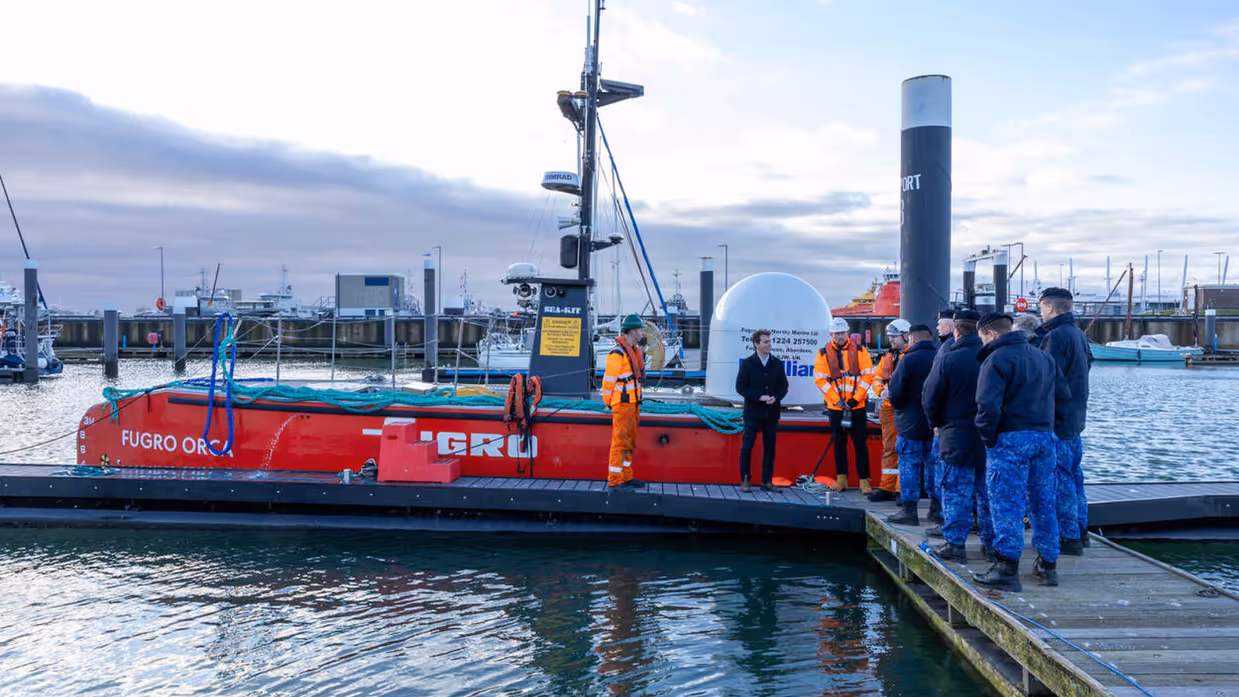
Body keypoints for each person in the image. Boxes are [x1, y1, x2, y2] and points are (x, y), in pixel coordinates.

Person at [972, 312, 1071, 592]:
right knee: (1043, 501)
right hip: (1044, 437)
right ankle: (1047, 565)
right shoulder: (1044, 357)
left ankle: (1006, 566)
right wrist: (1052, 431)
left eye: (982, 337)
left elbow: (986, 406)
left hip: (1010, 437)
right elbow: (1063, 398)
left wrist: (988, 438)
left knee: (1006, 502)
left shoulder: (996, 359)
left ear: (990, 334)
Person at [921, 309, 993, 562]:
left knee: (955, 490)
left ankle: (955, 544)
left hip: (955, 433)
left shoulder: (949, 359)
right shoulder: (993, 358)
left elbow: (930, 396)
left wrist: (936, 423)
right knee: (987, 492)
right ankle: (991, 544)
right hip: (989, 436)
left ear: (957, 330)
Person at [1036, 287, 1093, 555]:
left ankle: (1068, 536)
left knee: (1060, 478)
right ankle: (1081, 531)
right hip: (1075, 416)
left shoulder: (1055, 337)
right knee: (1074, 475)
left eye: (1041, 309)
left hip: (1058, 418)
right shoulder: (1078, 334)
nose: (1039, 314)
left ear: (1049, 308)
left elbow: (1046, 376)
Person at [814, 317, 875, 494]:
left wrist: (856, 398)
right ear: (831, 334)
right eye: (836, 333)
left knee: (860, 445)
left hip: (857, 407)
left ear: (847, 333)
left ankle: (865, 481)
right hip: (836, 408)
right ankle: (841, 479)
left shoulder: (861, 351)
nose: (840, 336)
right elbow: (820, 379)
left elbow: (868, 376)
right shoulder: (823, 353)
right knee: (839, 444)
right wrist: (837, 400)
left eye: (842, 333)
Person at [884, 324, 936, 524]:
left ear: (911, 338)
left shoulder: (908, 360)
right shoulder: (941, 357)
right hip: (934, 424)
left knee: (909, 466)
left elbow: (895, 393)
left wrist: (899, 406)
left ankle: (909, 510)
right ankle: (936, 509)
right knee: (934, 466)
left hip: (910, 423)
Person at [735, 329, 790, 493]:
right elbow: (740, 387)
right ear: (756, 344)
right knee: (747, 447)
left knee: (770, 448)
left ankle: (767, 481)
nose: (769, 345)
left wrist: (776, 397)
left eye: (769, 341)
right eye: (765, 342)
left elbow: (784, 386)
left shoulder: (777, 363)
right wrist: (758, 397)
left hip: (771, 413)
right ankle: (745, 479)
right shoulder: (747, 364)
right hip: (753, 412)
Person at [868, 318, 911, 502]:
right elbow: (876, 378)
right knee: (889, 449)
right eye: (890, 337)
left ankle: (901, 490)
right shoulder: (889, 357)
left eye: (894, 337)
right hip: (888, 408)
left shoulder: (911, 357)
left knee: (905, 449)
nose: (891, 340)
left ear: (906, 336)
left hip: (905, 409)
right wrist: (881, 391)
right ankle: (887, 486)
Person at [602, 314, 646, 488]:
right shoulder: (617, 354)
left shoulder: (634, 352)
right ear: (633, 331)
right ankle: (614, 480)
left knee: (629, 442)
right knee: (620, 442)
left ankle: (626, 476)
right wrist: (608, 402)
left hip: (633, 405)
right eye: (641, 330)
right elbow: (608, 382)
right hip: (622, 405)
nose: (643, 333)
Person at [923, 308, 957, 524]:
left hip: (948, 425)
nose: (937, 328)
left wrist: (934, 421)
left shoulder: (946, 350)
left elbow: (932, 390)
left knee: (943, 470)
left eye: (940, 324)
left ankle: (940, 515)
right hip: (968, 425)